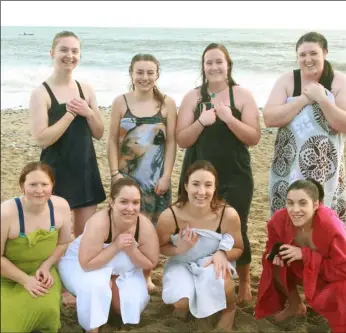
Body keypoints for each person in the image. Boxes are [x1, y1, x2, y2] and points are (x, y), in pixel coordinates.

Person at [176, 43, 261, 303]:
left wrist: (229, 118)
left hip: (235, 173)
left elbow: (255, 137)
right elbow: (182, 140)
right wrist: (202, 121)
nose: (213, 67)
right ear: (203, 67)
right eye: (208, 62)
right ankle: (196, 276)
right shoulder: (192, 97)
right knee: (196, 226)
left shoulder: (242, 95)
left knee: (238, 228)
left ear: (228, 65)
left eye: (218, 62)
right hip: (198, 173)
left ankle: (244, 282)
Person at [263, 31, 346, 223]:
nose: (308, 59)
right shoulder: (288, 81)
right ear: (297, 57)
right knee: (287, 217)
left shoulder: (338, 81)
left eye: (313, 53)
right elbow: (270, 118)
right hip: (288, 164)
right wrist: (304, 99)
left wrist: (322, 98)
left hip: (325, 166)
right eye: (302, 55)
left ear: (325, 53)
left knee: (323, 219)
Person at [107, 53, 177, 291]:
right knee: (124, 225)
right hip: (126, 177)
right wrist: (115, 173)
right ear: (131, 73)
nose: (144, 77)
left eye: (150, 72)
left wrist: (167, 175)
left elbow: (171, 143)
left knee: (152, 228)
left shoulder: (167, 103)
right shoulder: (120, 102)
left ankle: (146, 275)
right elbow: (112, 141)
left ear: (157, 75)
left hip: (156, 179)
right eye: (140, 72)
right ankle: (121, 271)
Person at [29, 31, 106, 239]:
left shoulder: (86, 90)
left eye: (75, 51)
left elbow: (99, 133)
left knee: (84, 237)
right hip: (55, 172)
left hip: (85, 169)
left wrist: (88, 112)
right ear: (52, 53)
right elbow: (42, 139)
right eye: (64, 50)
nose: (69, 55)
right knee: (54, 237)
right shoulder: (41, 93)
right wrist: (70, 114)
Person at [255, 179, 346, 333]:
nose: (295, 210)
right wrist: (274, 253)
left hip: (337, 272)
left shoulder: (331, 226)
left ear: (316, 205)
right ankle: (295, 305)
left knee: (345, 287)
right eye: (290, 203)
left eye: (302, 203)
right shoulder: (279, 219)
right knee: (273, 262)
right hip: (308, 268)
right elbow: (272, 244)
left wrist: (305, 254)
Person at [58, 178, 159, 333]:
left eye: (135, 202)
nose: (130, 208)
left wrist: (132, 250)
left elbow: (151, 262)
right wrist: (116, 246)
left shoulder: (143, 225)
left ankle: (111, 306)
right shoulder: (99, 223)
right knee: (97, 285)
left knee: (131, 303)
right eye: (124, 202)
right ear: (112, 202)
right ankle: (92, 328)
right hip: (83, 267)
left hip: (122, 270)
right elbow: (86, 264)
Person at [157, 160, 244, 330]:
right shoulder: (170, 216)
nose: (201, 192)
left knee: (221, 277)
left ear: (215, 188)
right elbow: (160, 247)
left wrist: (222, 253)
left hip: (211, 263)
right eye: (195, 184)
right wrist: (179, 249)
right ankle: (188, 304)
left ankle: (229, 310)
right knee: (181, 302)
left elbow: (239, 248)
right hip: (180, 263)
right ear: (186, 186)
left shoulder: (228, 214)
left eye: (208, 185)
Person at [1, 161, 72, 333]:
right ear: (22, 186)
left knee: (45, 310)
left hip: (41, 274)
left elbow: (64, 242)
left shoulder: (61, 206)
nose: (39, 190)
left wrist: (46, 266)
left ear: (52, 186)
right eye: (33, 184)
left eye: (44, 184)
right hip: (7, 277)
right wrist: (25, 281)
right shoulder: (6, 213)